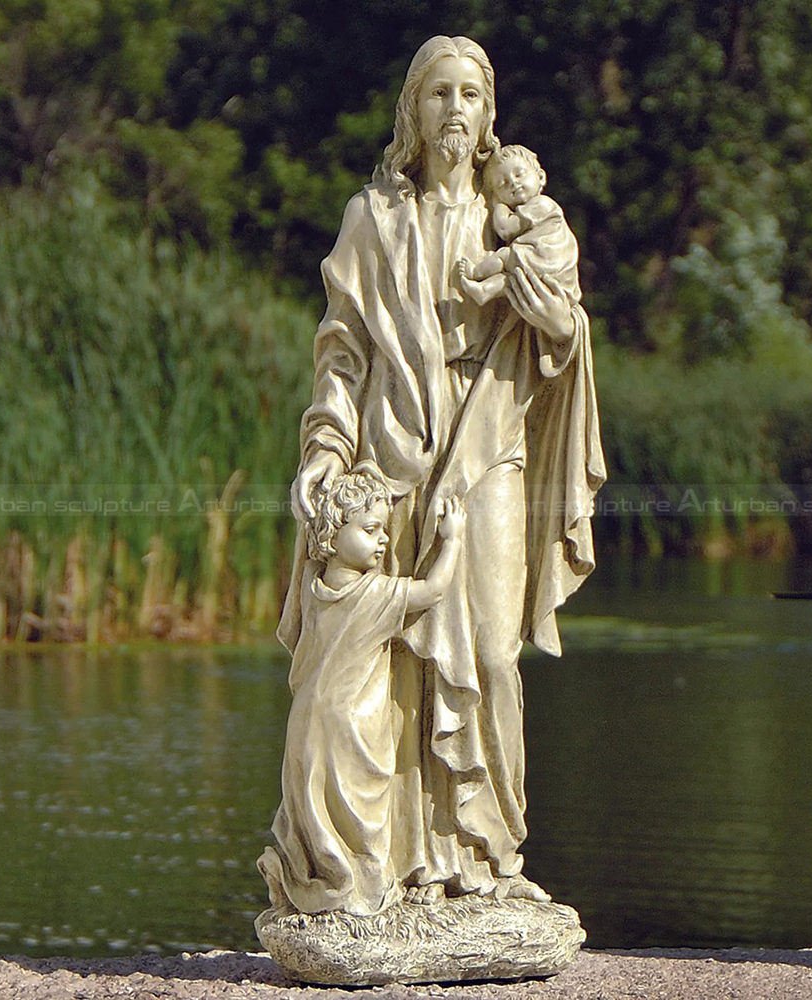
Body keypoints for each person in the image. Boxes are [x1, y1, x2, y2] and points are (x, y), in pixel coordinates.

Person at [274, 34, 606, 911]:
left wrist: (554, 320)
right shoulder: (372, 218)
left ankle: (490, 855)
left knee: (491, 650)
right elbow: (342, 351)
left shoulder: (519, 220)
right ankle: (399, 865)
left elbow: (565, 333)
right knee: (390, 663)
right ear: (412, 111)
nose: (454, 109)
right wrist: (325, 448)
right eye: (438, 93)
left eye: (469, 94)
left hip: (489, 439)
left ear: (488, 114)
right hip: (390, 448)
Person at [259, 463, 466, 916]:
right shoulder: (376, 594)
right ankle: (360, 894)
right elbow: (433, 591)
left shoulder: (313, 586)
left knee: (313, 811)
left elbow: (311, 557)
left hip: (305, 721)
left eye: (384, 530)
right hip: (353, 724)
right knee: (360, 818)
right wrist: (451, 540)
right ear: (333, 536)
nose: (383, 540)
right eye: (370, 530)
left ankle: (303, 877)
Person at [456, 144, 580, 308]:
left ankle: (476, 272)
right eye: (503, 184)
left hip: (547, 262)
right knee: (513, 279)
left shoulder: (542, 204)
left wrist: (498, 205)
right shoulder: (533, 208)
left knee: (505, 256)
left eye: (519, 174)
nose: (513, 183)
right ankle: (484, 290)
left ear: (541, 176)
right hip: (545, 270)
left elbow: (505, 229)